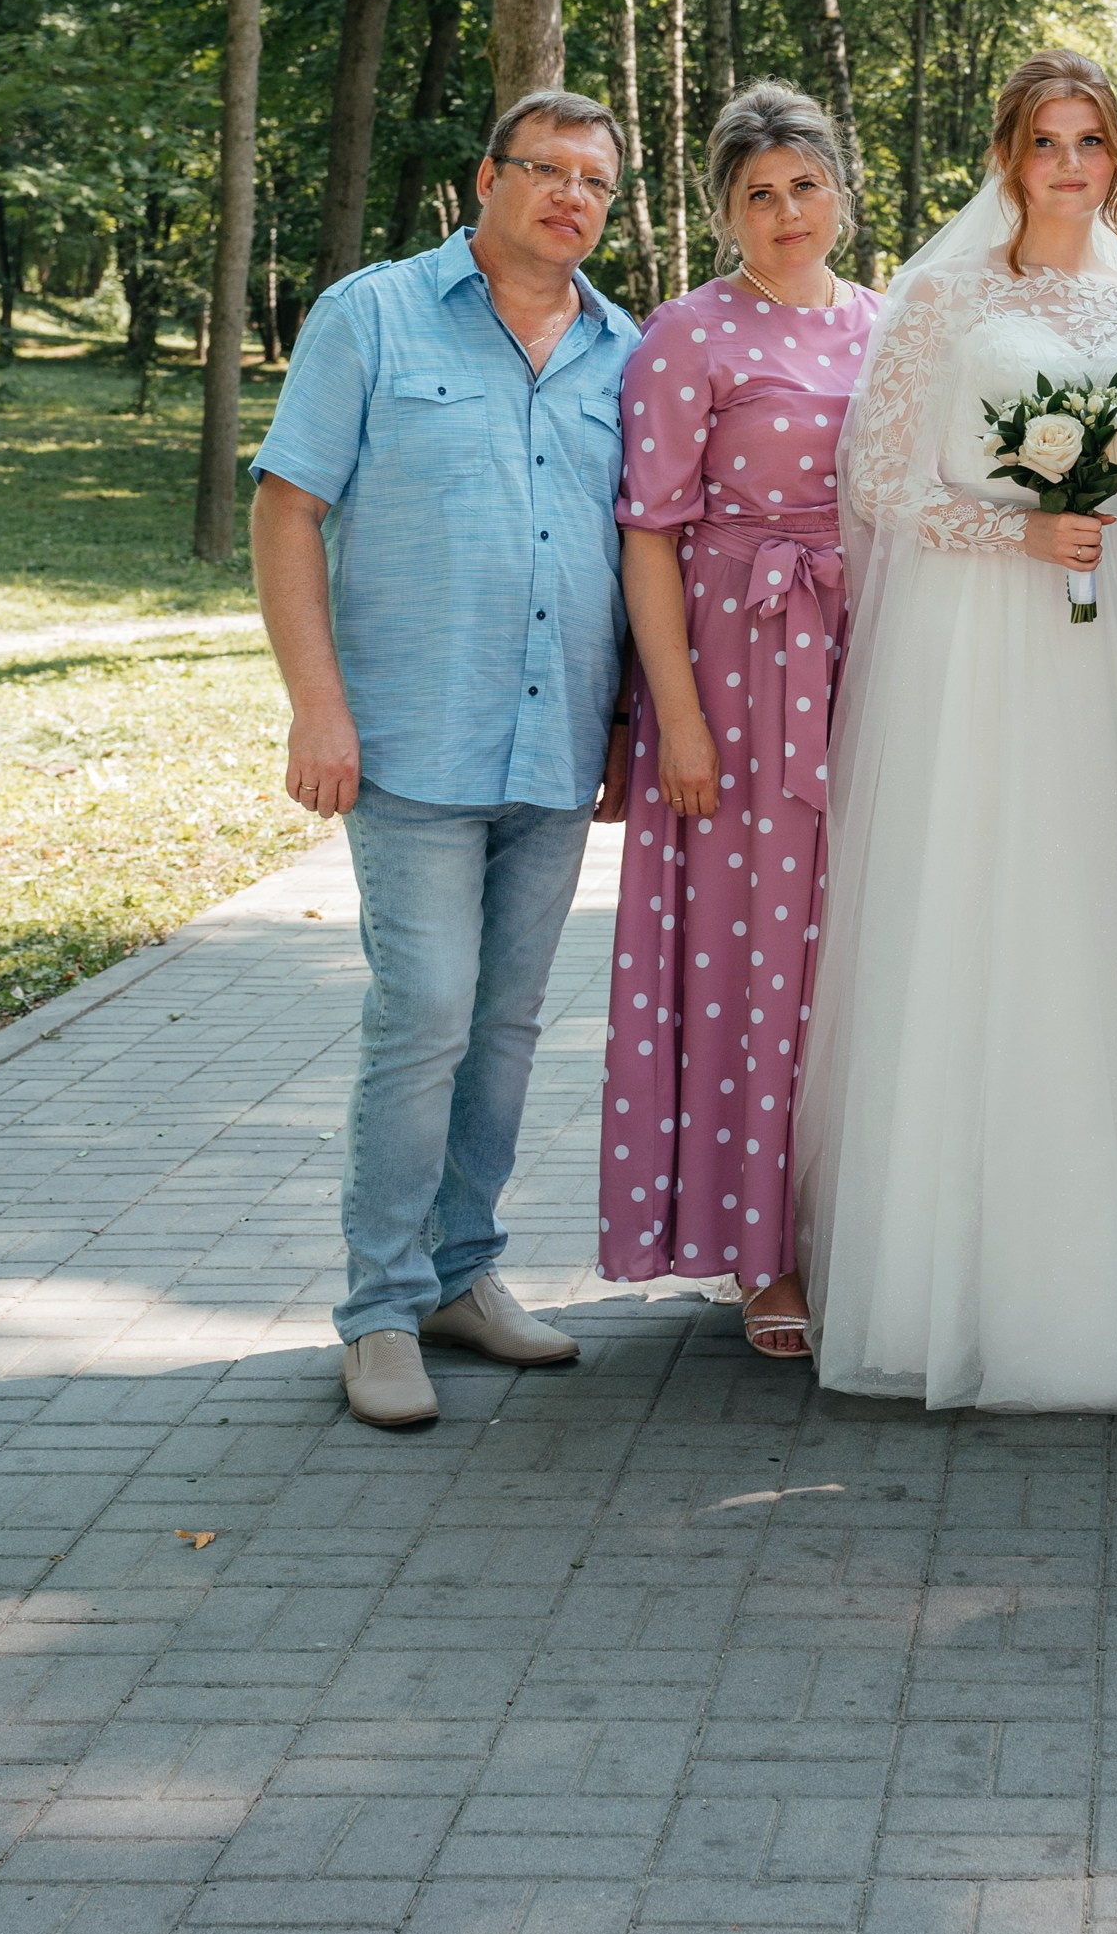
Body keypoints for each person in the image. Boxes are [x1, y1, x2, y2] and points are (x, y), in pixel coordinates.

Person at [797, 54, 1117, 1413]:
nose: (1070, 162)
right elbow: (880, 479)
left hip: (1110, 622)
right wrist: (1014, 530)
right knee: (983, 904)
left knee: (1110, 906)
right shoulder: (945, 291)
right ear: (1008, 153)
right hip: (979, 634)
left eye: (1091, 139)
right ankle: (956, 1277)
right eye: (1045, 140)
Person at [251, 92, 639, 1433]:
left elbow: (641, 553)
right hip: (410, 731)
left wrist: (633, 722)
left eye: (597, 181)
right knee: (423, 1005)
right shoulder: (373, 314)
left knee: (508, 1023)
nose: (573, 198)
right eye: (549, 170)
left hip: (556, 738)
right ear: (489, 176)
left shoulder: (620, 348)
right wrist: (317, 704)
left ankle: (464, 1271)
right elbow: (288, 505)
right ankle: (376, 1306)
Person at [597, 82, 882, 1353]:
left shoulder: (890, 324)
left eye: (805, 185)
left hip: (869, 662)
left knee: (853, 964)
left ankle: (852, 1226)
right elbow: (649, 532)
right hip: (736, 674)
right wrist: (681, 722)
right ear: (724, 211)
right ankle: (760, 1255)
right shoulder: (686, 335)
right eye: (758, 193)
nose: (785, 212)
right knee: (758, 963)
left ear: (842, 193)